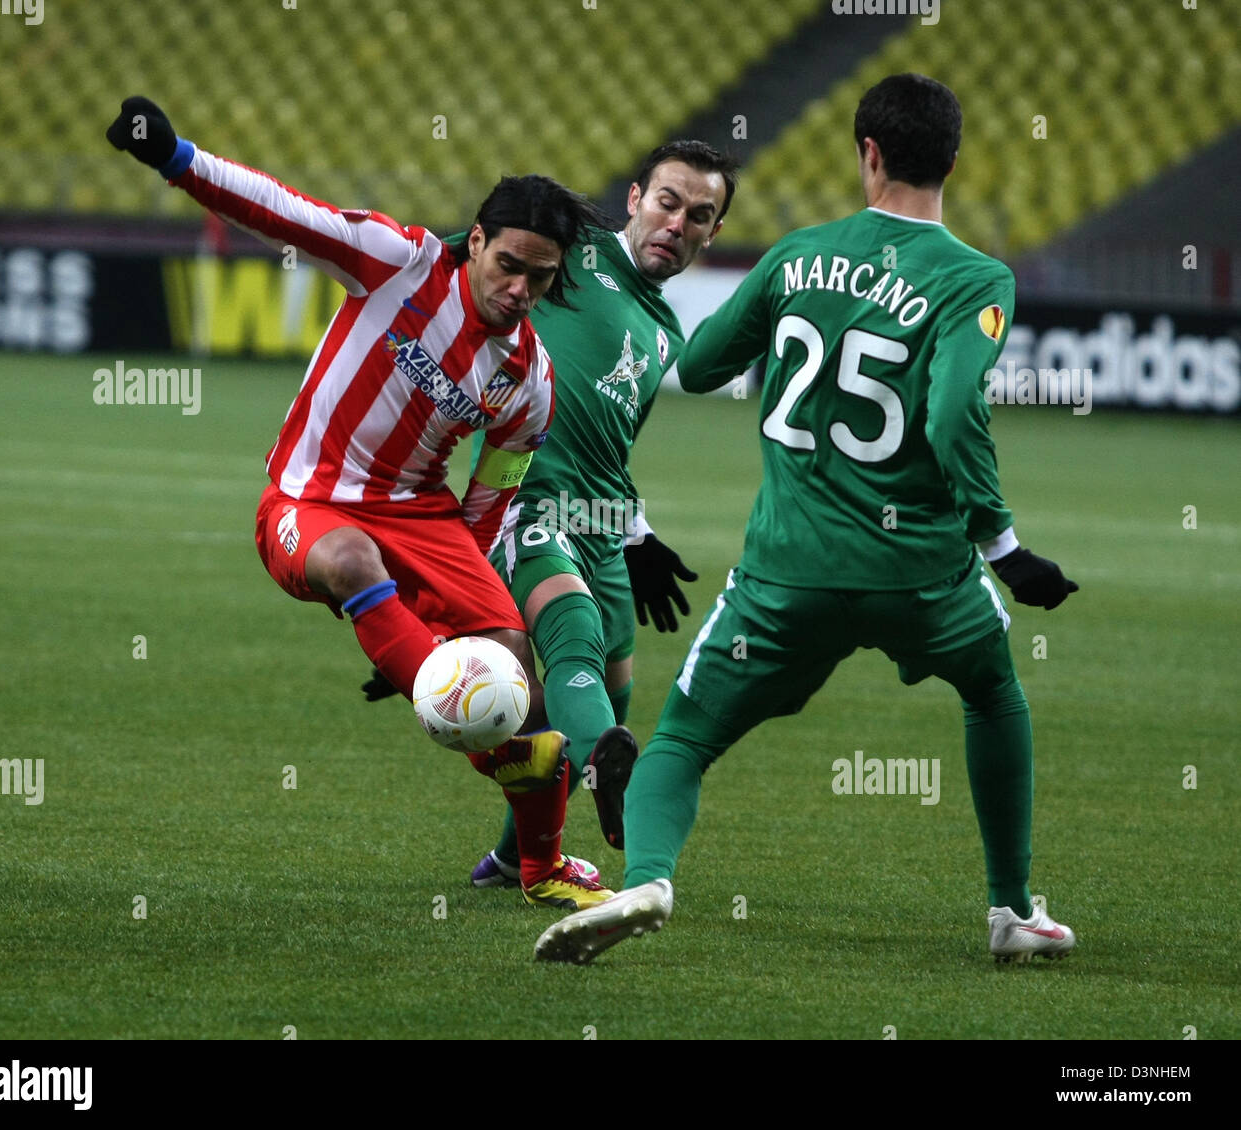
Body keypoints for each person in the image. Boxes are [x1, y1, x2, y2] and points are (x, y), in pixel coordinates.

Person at [534, 73, 1081, 964]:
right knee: (991, 691)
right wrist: (1003, 545)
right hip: (924, 576)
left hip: (785, 576)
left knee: (680, 740)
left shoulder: (796, 257)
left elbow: (704, 365)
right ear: (951, 158)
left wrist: (791, 360)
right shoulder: (977, 278)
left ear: (868, 153)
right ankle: (1012, 912)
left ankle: (647, 881)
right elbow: (949, 413)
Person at [106, 95, 615, 911]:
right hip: (308, 499)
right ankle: (446, 700)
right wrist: (175, 156)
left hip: (420, 514)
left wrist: (441, 621)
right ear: (475, 241)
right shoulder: (400, 260)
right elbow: (284, 212)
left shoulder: (528, 381)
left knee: (517, 667)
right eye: (508, 266)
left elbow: (489, 501)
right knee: (351, 560)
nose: (521, 289)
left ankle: (541, 865)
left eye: (541, 278)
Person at [364, 142, 741, 891]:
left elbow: (609, 438)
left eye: (700, 215)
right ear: (635, 198)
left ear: (712, 233)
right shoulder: (568, 257)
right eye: (668, 201)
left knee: (614, 678)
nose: (678, 223)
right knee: (572, 639)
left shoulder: (665, 329)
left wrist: (637, 532)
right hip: (525, 499)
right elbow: (462, 259)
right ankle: (612, 774)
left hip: (600, 521)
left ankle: (511, 858)